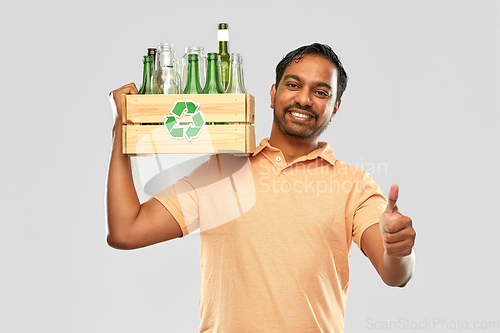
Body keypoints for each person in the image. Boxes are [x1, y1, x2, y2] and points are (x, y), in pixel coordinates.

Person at [106, 43, 416, 333]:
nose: (305, 99)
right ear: (272, 94)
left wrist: (399, 250)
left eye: (321, 92)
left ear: (335, 107)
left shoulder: (355, 185)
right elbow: (126, 231)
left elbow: (394, 274)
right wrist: (123, 128)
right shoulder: (222, 171)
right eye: (293, 85)